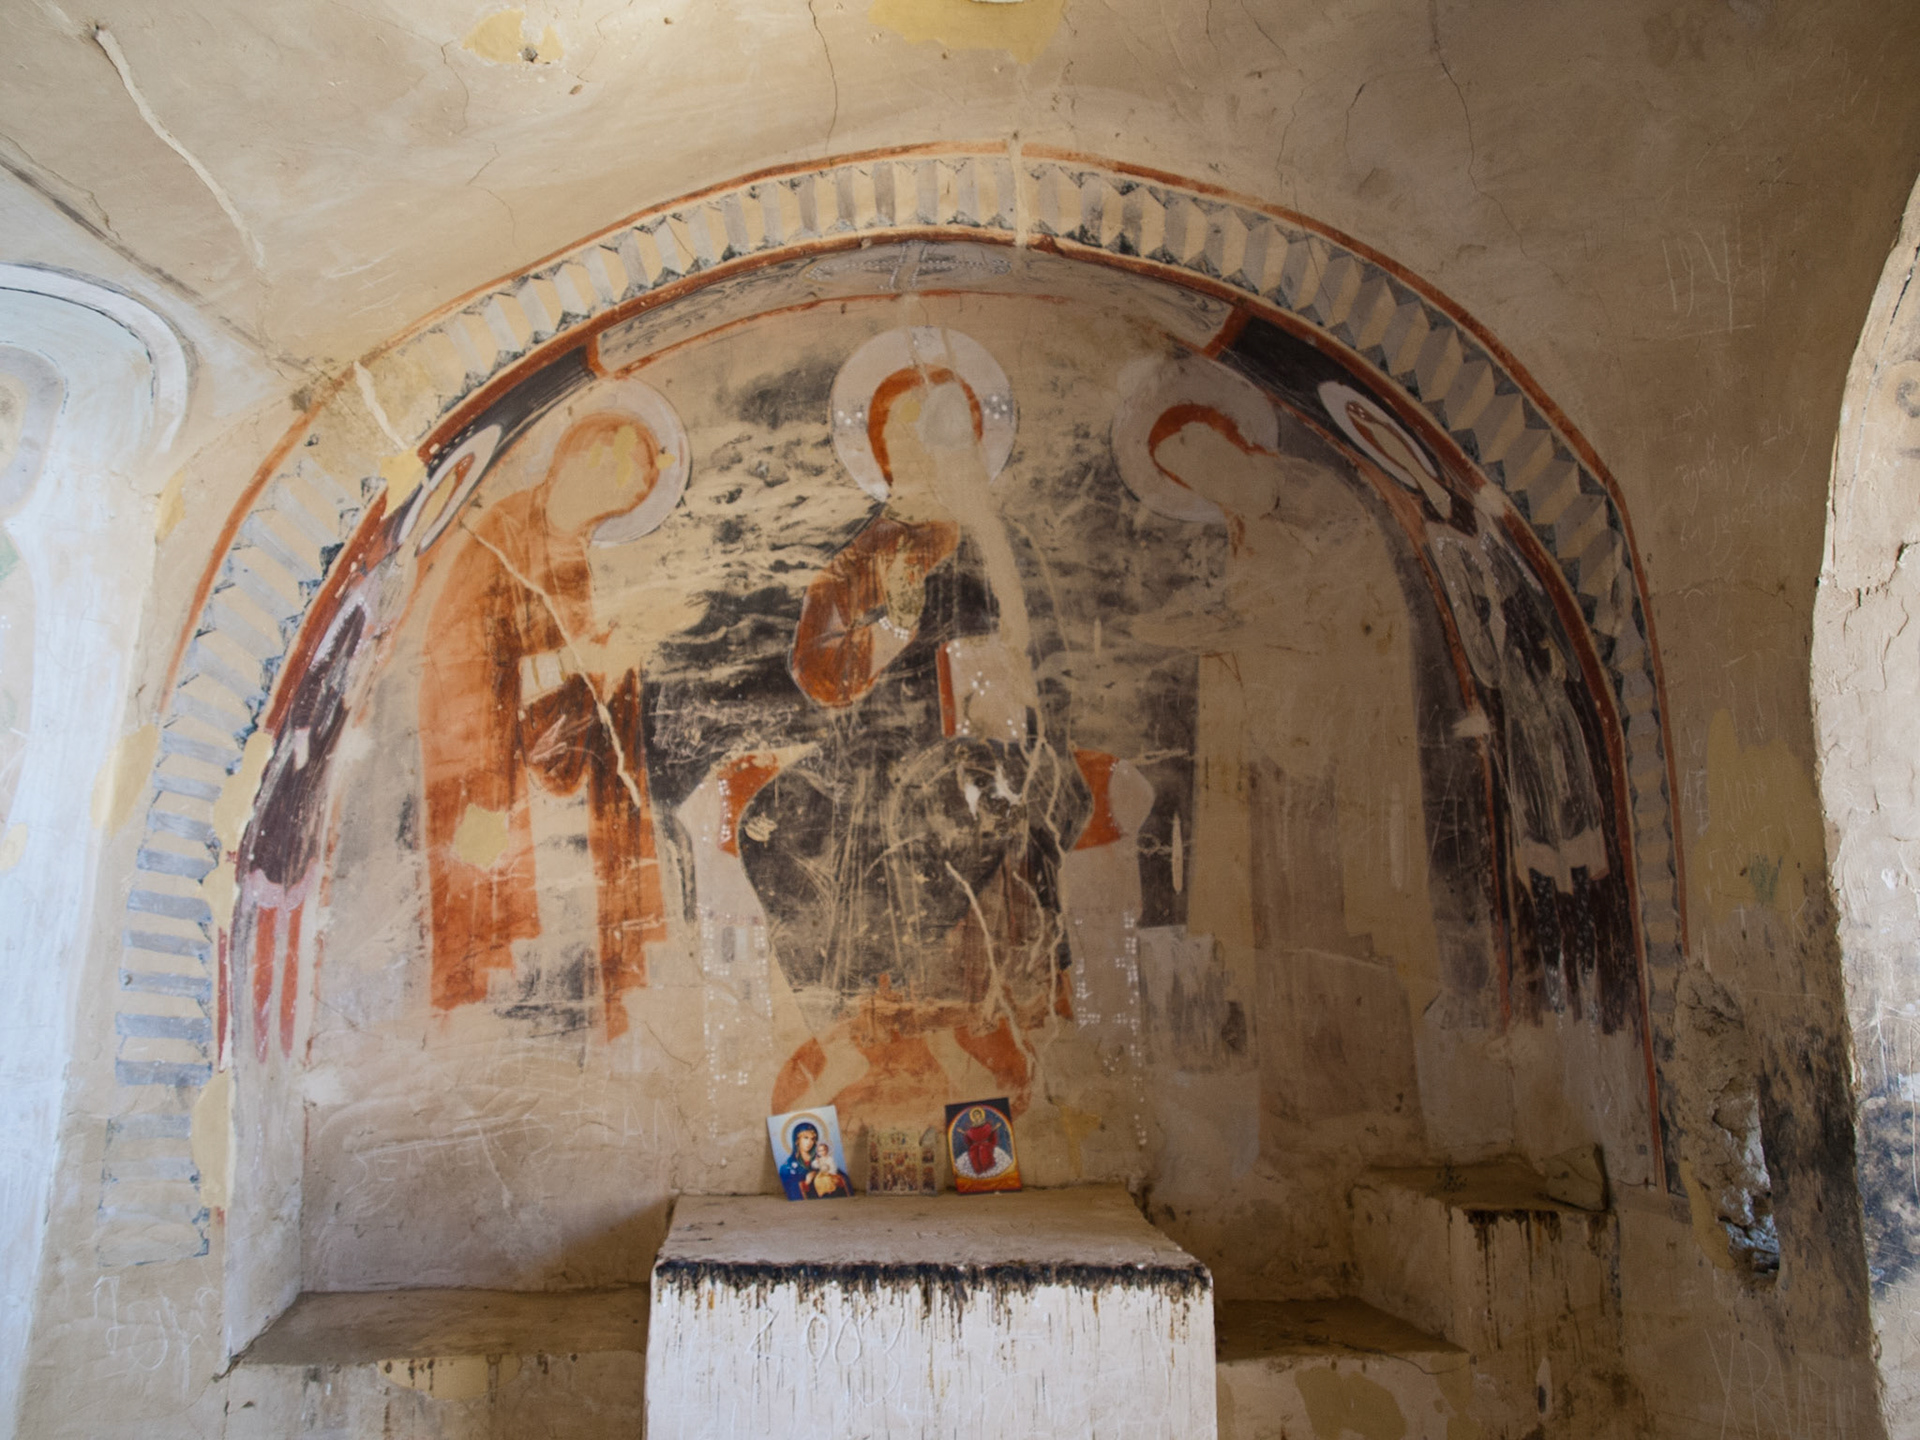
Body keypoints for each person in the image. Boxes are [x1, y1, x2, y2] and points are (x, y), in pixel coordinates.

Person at [419, 411, 669, 1038]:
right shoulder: (498, 537)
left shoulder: (577, 555)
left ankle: (582, 1022)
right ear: (575, 457)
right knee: (506, 935)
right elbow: (460, 667)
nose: (614, 503)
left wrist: (612, 662)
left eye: (627, 497)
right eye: (615, 480)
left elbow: (576, 672)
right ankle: (491, 1030)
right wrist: (581, 661)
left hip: (564, 772)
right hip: (494, 776)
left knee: (572, 928)